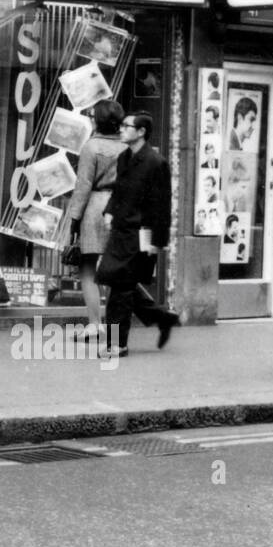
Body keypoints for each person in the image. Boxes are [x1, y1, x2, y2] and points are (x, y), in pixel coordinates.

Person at [98, 112, 179, 356]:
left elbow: (162, 205)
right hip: (120, 231)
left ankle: (118, 344)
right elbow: (118, 191)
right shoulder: (124, 158)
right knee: (118, 281)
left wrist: (158, 241)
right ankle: (162, 318)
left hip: (140, 234)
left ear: (141, 132)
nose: (121, 129)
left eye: (126, 126)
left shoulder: (156, 163)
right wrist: (109, 211)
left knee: (121, 288)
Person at [66, 98, 124, 341]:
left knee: (87, 267)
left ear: (97, 121)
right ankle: (113, 324)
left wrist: (74, 219)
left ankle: (94, 324)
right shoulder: (127, 147)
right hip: (118, 207)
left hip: (94, 206)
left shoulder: (91, 147)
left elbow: (83, 187)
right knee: (114, 270)